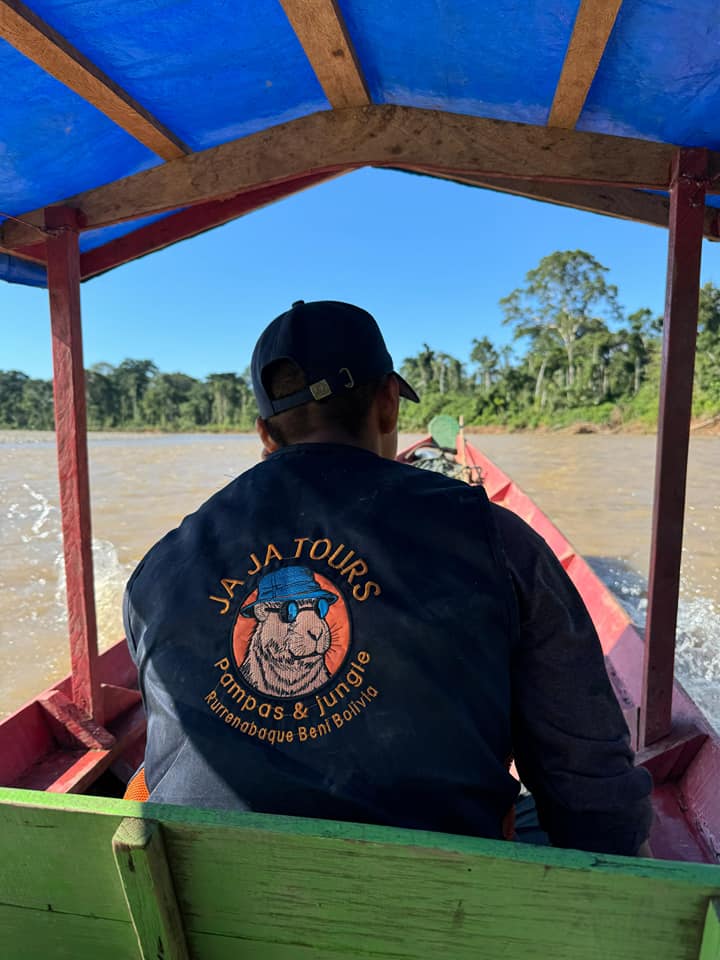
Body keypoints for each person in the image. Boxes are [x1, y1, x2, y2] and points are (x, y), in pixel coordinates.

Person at [123, 299, 652, 854]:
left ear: (265, 433)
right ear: (388, 405)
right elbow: (594, 795)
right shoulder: (496, 539)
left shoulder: (157, 569)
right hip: (448, 918)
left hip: (210, 924)